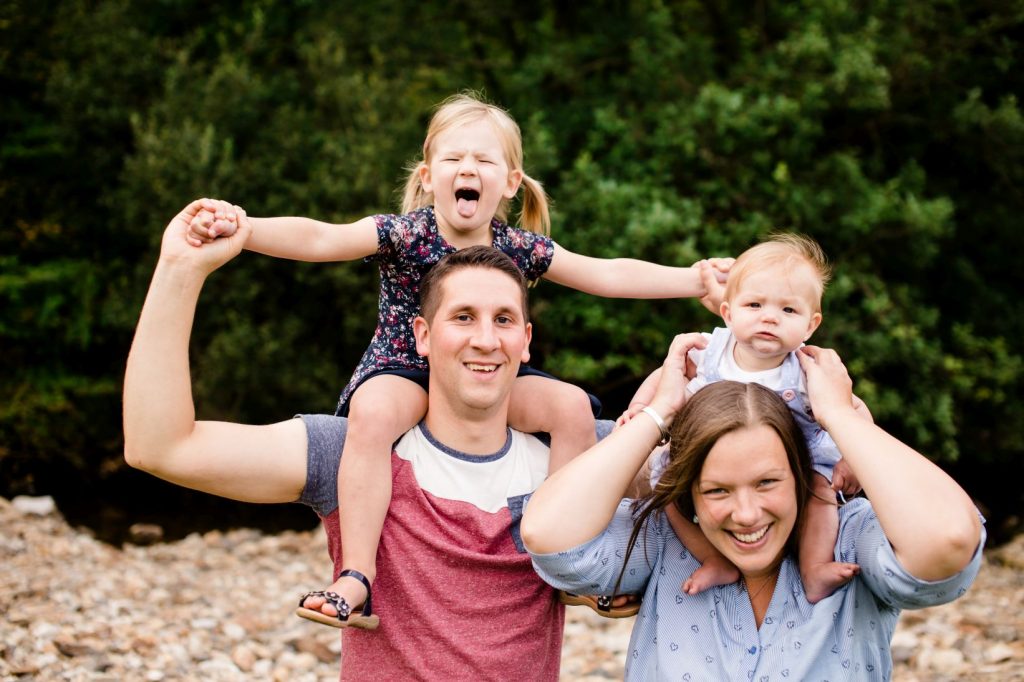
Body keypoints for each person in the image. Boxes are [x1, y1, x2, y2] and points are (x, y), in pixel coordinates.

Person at [186, 92, 730, 626]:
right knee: (372, 414)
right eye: (454, 158)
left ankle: (570, 559)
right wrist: (248, 229)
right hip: (405, 368)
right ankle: (357, 573)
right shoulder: (403, 233)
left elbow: (605, 273)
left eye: (484, 160)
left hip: (489, 371)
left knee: (570, 407)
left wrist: (694, 279)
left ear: (510, 182)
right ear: (428, 176)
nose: (468, 168)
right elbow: (321, 238)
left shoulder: (518, 246)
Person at [123, 202, 633, 679]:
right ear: (422, 336)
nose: (485, 340)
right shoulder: (349, 452)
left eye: (503, 320)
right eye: (462, 317)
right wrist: (179, 269)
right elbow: (161, 447)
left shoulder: (581, 461)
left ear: (525, 341)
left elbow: (682, 467)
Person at [521, 332, 984, 680]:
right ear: (690, 492)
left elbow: (948, 540)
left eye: (767, 482)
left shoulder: (850, 539)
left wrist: (840, 416)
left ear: (801, 473)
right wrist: (657, 413)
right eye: (717, 491)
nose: (746, 514)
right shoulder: (664, 538)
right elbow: (549, 535)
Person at [618, 234, 870, 603]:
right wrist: (642, 407)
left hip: (796, 458)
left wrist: (853, 458)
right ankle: (713, 558)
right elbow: (666, 374)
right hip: (712, 457)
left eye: (789, 310)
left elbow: (853, 408)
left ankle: (814, 567)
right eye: (754, 304)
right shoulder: (712, 350)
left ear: (811, 325)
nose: (769, 317)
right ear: (728, 312)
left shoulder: (806, 368)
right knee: (668, 490)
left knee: (821, 492)